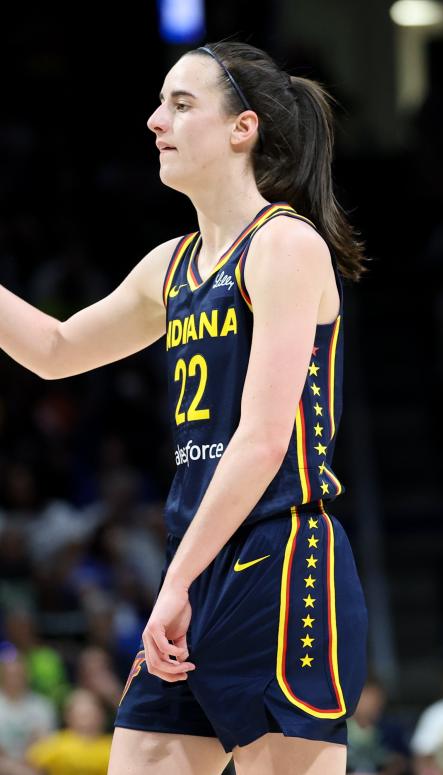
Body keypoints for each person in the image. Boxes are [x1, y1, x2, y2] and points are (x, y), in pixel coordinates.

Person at [0, 38, 370, 775]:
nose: (154, 120)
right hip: (198, 566)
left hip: (280, 561)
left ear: (244, 128)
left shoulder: (284, 246)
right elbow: (54, 348)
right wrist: (182, 580)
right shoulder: (169, 266)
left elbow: (265, 439)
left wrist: (172, 583)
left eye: (180, 102)